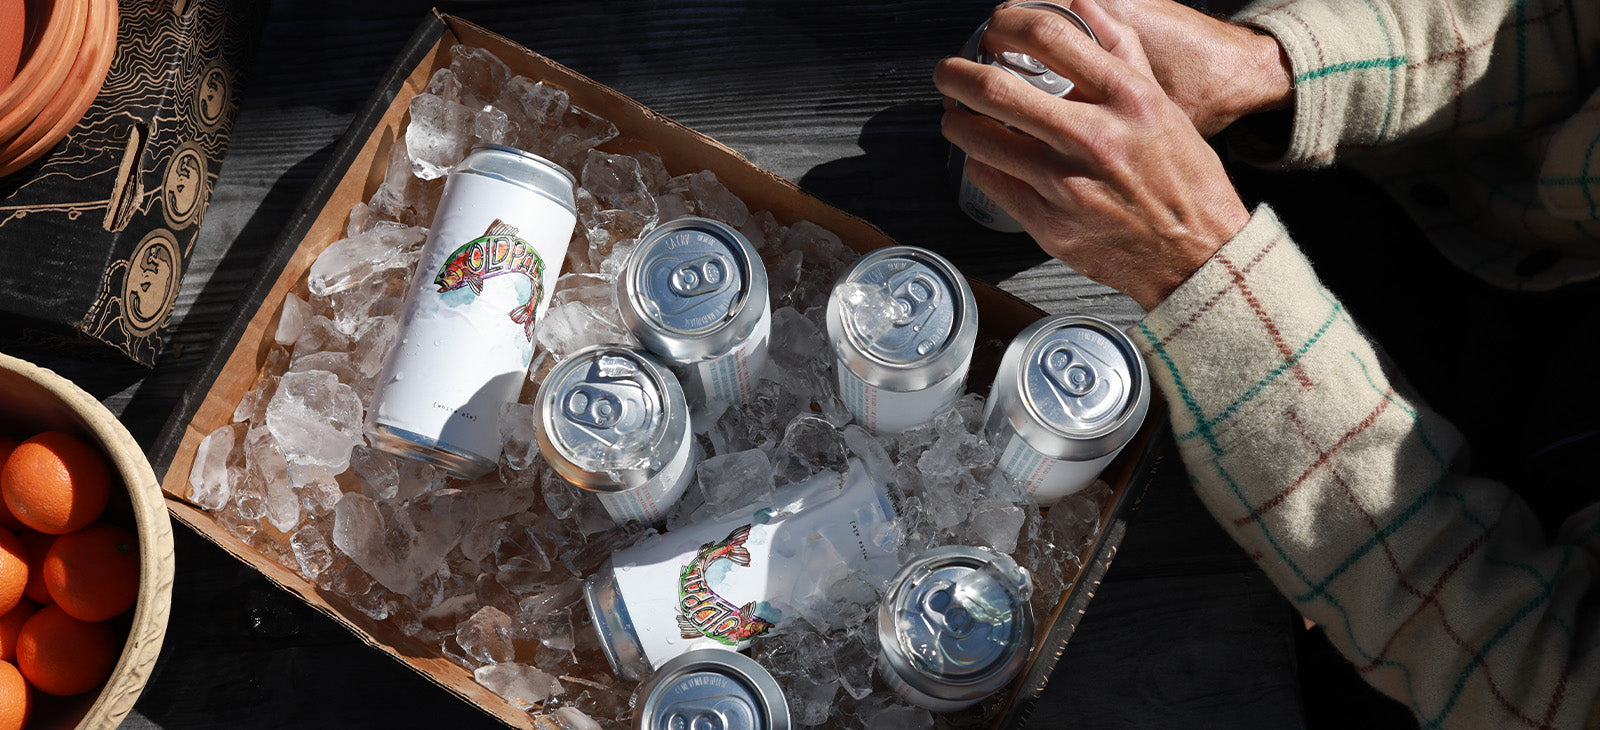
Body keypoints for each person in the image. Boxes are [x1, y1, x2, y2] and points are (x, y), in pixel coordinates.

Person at [934, 0, 1600, 727]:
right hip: (1479, 222)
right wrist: (1271, 67)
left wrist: (1199, 264)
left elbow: (1529, 676)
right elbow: (1555, 21)